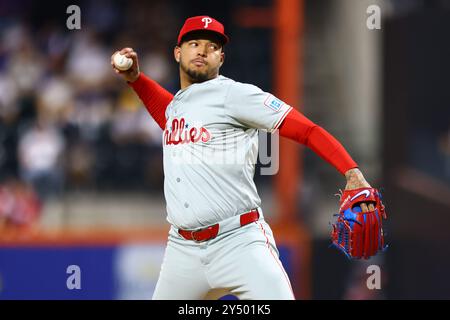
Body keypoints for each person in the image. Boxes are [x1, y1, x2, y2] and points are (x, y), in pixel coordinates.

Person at [111, 16, 375, 300]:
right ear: (178, 53)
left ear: (221, 58)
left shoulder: (235, 95)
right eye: (194, 43)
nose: (202, 50)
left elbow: (307, 130)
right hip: (182, 251)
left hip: (238, 242)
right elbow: (169, 114)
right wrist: (136, 80)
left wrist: (351, 171)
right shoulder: (178, 105)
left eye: (211, 47)